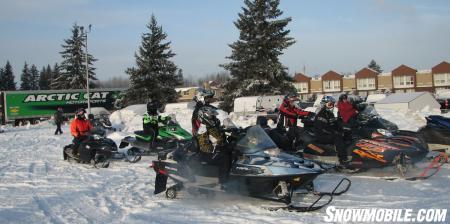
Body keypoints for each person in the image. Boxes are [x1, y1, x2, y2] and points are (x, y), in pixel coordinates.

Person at [314, 97, 349, 166]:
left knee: (345, 135)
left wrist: (344, 128)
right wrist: (334, 132)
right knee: (337, 138)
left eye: (333, 104)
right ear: (324, 104)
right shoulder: (321, 114)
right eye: (330, 104)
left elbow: (334, 124)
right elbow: (323, 128)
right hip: (322, 134)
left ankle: (349, 154)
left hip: (328, 133)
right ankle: (343, 159)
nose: (332, 106)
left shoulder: (329, 113)